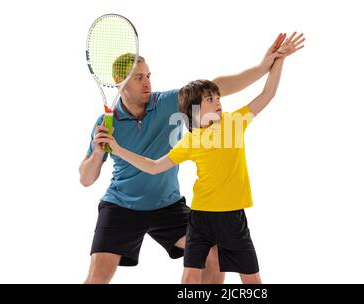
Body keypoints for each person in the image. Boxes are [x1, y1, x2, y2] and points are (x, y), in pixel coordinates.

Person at [79, 33, 294, 284]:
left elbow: (215, 87)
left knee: (214, 253)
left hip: (168, 207)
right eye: (139, 78)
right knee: (98, 275)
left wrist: (262, 67)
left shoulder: (167, 103)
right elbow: (86, 179)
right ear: (120, 81)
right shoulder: (105, 124)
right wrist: (97, 152)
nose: (146, 82)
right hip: (121, 207)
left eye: (148, 75)